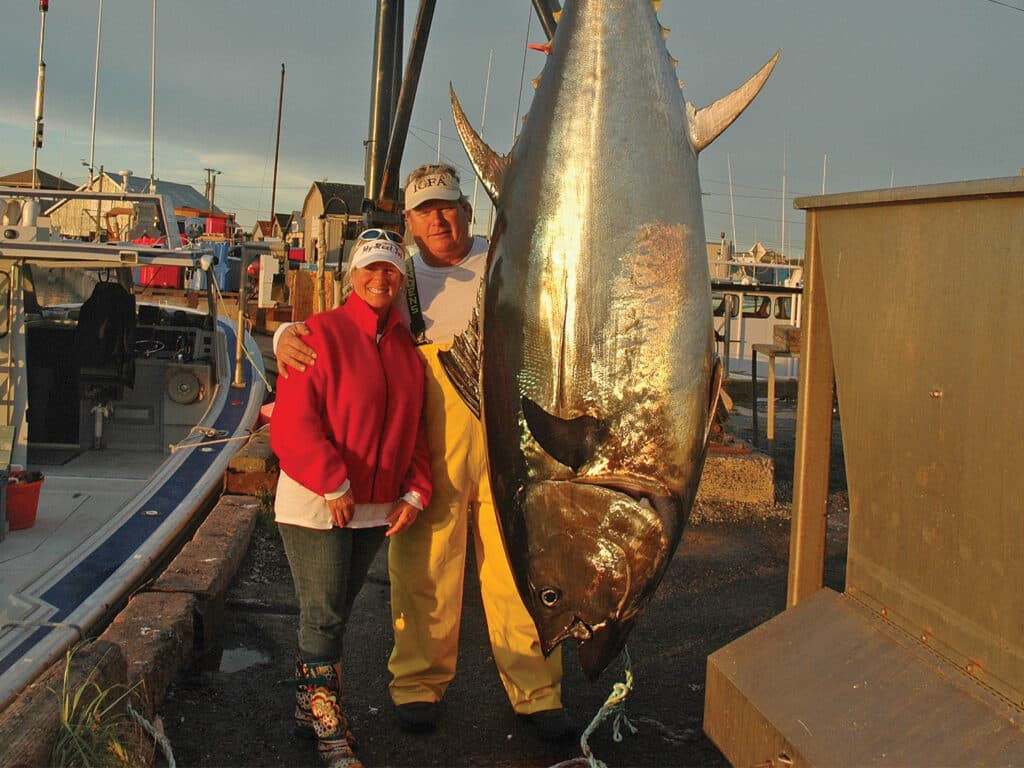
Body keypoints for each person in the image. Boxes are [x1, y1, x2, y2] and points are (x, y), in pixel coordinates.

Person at [275, 163, 573, 741]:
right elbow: (345, 333)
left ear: (467, 211)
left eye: (447, 206)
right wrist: (289, 335)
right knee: (423, 568)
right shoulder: (394, 280)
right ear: (409, 224)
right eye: (424, 211)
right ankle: (418, 684)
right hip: (432, 447)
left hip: (513, 439)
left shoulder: (511, 261)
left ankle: (538, 691)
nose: (438, 219)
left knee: (519, 565)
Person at [270, 233, 432, 768]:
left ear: (401, 279)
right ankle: (328, 724)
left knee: (336, 611)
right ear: (351, 276)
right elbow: (293, 424)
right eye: (371, 270)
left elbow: (416, 430)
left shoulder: (408, 349)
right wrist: (333, 482)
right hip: (318, 503)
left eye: (390, 270)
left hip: (374, 505)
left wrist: (415, 488)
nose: (381, 279)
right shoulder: (316, 334)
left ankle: (306, 706)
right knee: (323, 614)